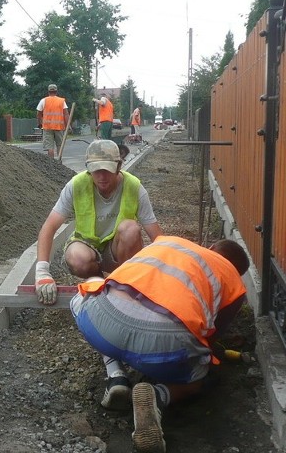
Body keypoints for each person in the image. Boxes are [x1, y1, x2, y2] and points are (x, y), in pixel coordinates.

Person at [70, 236, 250, 453]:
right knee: (200, 376)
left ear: (210, 247)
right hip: (163, 344)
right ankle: (157, 397)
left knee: (80, 298)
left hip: (103, 320)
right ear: (237, 271)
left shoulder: (168, 241)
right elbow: (209, 337)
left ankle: (116, 376)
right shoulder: (235, 284)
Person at [35, 139, 162, 304]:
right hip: (86, 246)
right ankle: (96, 285)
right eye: (96, 170)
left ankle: (123, 284)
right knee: (77, 258)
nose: (102, 177)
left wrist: (165, 272)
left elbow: (157, 237)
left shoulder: (133, 187)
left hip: (117, 252)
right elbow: (49, 227)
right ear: (88, 168)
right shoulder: (77, 185)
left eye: (107, 170)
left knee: (130, 229)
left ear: (118, 166)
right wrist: (42, 272)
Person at [36, 84, 70, 159]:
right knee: (59, 146)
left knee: (50, 147)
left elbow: (38, 113)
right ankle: (59, 163)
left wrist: (39, 123)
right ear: (56, 91)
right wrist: (68, 125)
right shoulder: (61, 101)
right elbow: (66, 114)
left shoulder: (43, 100)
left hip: (47, 127)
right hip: (59, 127)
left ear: (48, 91)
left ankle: (52, 165)